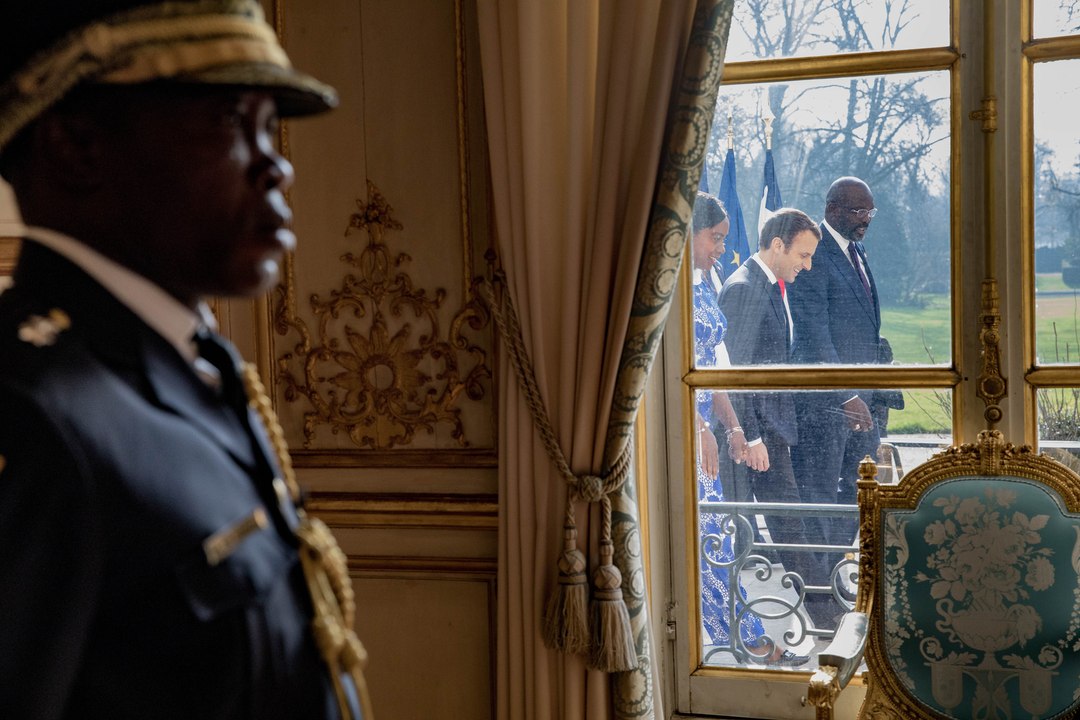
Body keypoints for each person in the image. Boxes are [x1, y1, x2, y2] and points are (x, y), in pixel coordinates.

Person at [0, 2, 370, 718]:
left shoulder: (202, 368)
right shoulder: (32, 411)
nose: (277, 163)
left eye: (271, 125)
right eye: (231, 121)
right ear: (78, 146)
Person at [690, 193, 807, 667]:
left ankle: (741, 638)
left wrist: (733, 427)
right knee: (706, 540)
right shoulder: (665, 293)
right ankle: (746, 640)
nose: (722, 247)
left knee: (713, 539)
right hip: (680, 438)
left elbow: (716, 366)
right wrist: (697, 428)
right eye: (715, 238)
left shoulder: (702, 285)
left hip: (708, 437)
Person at [717, 207, 840, 630]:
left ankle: (825, 613)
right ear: (776, 245)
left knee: (789, 521)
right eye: (802, 256)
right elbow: (735, 371)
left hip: (772, 428)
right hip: (750, 436)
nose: (806, 266)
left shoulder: (770, 286)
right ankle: (821, 616)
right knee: (745, 528)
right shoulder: (745, 289)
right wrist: (749, 436)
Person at [787, 177, 905, 569]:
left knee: (860, 491)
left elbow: (860, 325)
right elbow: (814, 334)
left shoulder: (857, 250)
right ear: (832, 210)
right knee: (819, 493)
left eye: (869, 211)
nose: (865, 220)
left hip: (865, 398)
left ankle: (832, 567)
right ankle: (818, 585)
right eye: (857, 211)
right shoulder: (814, 255)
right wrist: (846, 394)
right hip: (828, 404)